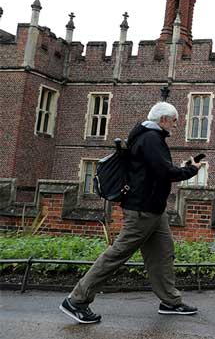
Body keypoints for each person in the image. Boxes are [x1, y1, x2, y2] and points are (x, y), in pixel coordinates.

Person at [59, 102, 204, 324]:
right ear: (163, 119)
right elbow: (165, 172)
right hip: (142, 211)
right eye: (174, 120)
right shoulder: (150, 139)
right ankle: (77, 300)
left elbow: (155, 170)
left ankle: (170, 302)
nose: (177, 124)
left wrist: (182, 167)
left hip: (155, 211)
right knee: (116, 255)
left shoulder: (148, 136)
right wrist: (191, 170)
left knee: (162, 255)